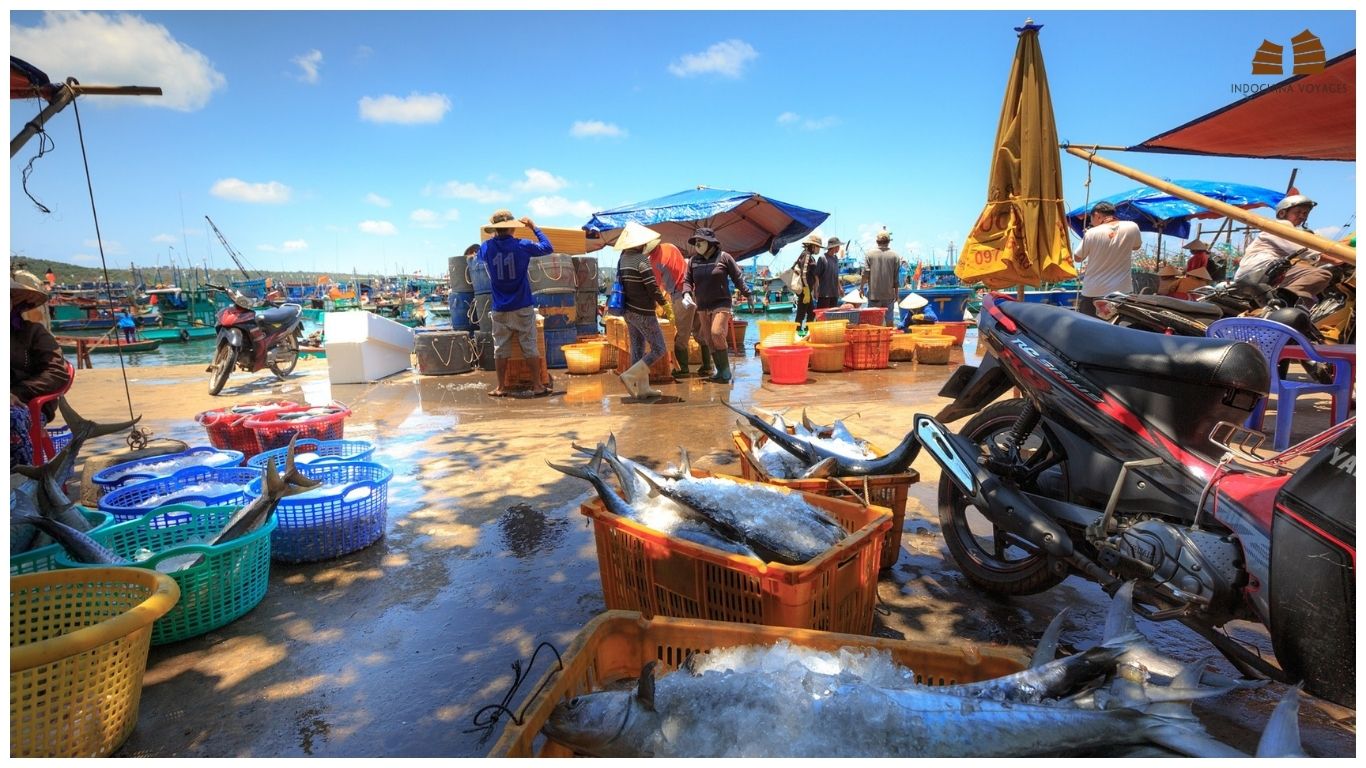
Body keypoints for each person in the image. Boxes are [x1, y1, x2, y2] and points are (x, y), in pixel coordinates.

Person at [478, 209, 554, 397]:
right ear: (513, 227)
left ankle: (501, 387)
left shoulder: (486, 248)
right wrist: (533, 227)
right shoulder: (522, 245)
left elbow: (479, 256)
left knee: (500, 349)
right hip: (522, 305)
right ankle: (537, 385)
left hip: (500, 308)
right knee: (529, 345)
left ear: (496, 229)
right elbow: (548, 247)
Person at [11, 271, 71, 467]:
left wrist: (14, 393)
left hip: (27, 405)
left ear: (13, 302)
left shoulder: (32, 332)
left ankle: (19, 484)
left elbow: (56, 373)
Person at [1234, 194, 1333, 305]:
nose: (1302, 216)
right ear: (1282, 213)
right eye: (1298, 212)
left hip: (1253, 273)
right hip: (1261, 269)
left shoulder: (1285, 229)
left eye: (1305, 213)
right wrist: (1341, 259)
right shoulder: (1282, 226)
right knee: (1321, 275)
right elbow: (1306, 252)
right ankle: (1286, 305)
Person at [682, 227, 752, 384]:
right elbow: (687, 280)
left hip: (721, 303)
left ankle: (725, 370)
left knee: (716, 332)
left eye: (701, 241)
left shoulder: (724, 257)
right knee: (708, 338)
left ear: (710, 243)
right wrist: (686, 293)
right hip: (702, 305)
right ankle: (719, 371)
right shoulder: (693, 261)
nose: (697, 244)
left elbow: (737, 277)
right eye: (696, 242)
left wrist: (748, 294)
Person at [615, 223, 670, 399]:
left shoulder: (623, 259)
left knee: (637, 349)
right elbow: (652, 287)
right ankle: (631, 375)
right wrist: (664, 304)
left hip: (628, 311)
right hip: (643, 311)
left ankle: (642, 389)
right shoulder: (641, 259)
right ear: (640, 243)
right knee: (659, 348)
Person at [1073, 201, 1142, 317]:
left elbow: (1078, 258)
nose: (1091, 222)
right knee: (1116, 328)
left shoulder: (1091, 233)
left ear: (1097, 215)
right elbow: (1136, 246)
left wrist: (1087, 237)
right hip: (1121, 291)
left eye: (1091, 218)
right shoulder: (1132, 226)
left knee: (1089, 328)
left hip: (1093, 291)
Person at [645, 232, 696, 379]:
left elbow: (656, 288)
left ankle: (683, 369)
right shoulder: (670, 247)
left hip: (681, 295)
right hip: (695, 289)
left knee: (681, 334)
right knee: (699, 331)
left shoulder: (654, 262)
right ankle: (707, 367)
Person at [860, 229, 901, 325]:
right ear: (889, 241)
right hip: (889, 295)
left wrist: (861, 288)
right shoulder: (895, 256)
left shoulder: (869, 254)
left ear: (877, 241)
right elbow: (896, 278)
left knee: (874, 323)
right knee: (890, 321)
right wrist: (897, 293)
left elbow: (865, 273)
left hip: (874, 295)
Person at [792, 234, 822, 332]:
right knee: (801, 313)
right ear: (812, 246)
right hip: (805, 290)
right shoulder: (807, 255)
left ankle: (806, 330)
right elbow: (804, 274)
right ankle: (799, 332)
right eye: (818, 247)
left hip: (807, 290)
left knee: (811, 312)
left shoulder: (807, 255)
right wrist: (806, 289)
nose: (819, 249)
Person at [814, 237, 843, 309]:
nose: (839, 248)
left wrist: (840, 288)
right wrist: (817, 290)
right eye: (838, 246)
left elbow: (836, 275)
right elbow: (816, 275)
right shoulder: (822, 258)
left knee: (832, 316)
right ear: (834, 247)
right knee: (822, 316)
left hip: (834, 293)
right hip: (824, 294)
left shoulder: (836, 258)